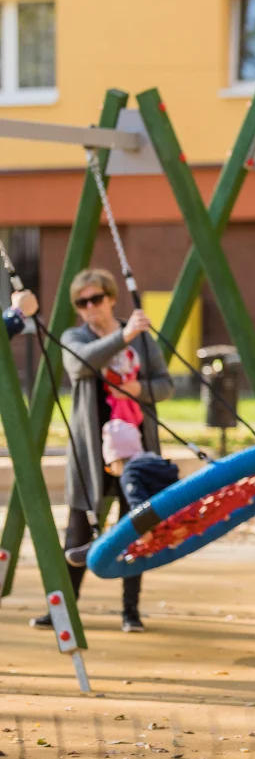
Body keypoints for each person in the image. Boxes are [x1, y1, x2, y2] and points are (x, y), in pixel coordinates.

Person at [29, 268, 173, 634]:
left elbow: (165, 384)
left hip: (135, 450)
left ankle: (131, 610)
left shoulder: (141, 337)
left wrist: (140, 389)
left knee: (134, 524)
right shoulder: (75, 336)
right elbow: (79, 364)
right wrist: (123, 335)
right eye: (82, 302)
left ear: (111, 297)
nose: (90, 307)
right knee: (77, 531)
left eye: (95, 299)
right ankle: (63, 609)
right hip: (90, 452)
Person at [63, 420, 181, 586]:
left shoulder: (130, 472)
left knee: (123, 529)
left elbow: (138, 504)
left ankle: (97, 548)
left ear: (116, 459)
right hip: (175, 514)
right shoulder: (155, 462)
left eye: (110, 467)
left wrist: (144, 528)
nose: (112, 472)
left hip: (157, 522)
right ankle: (97, 546)